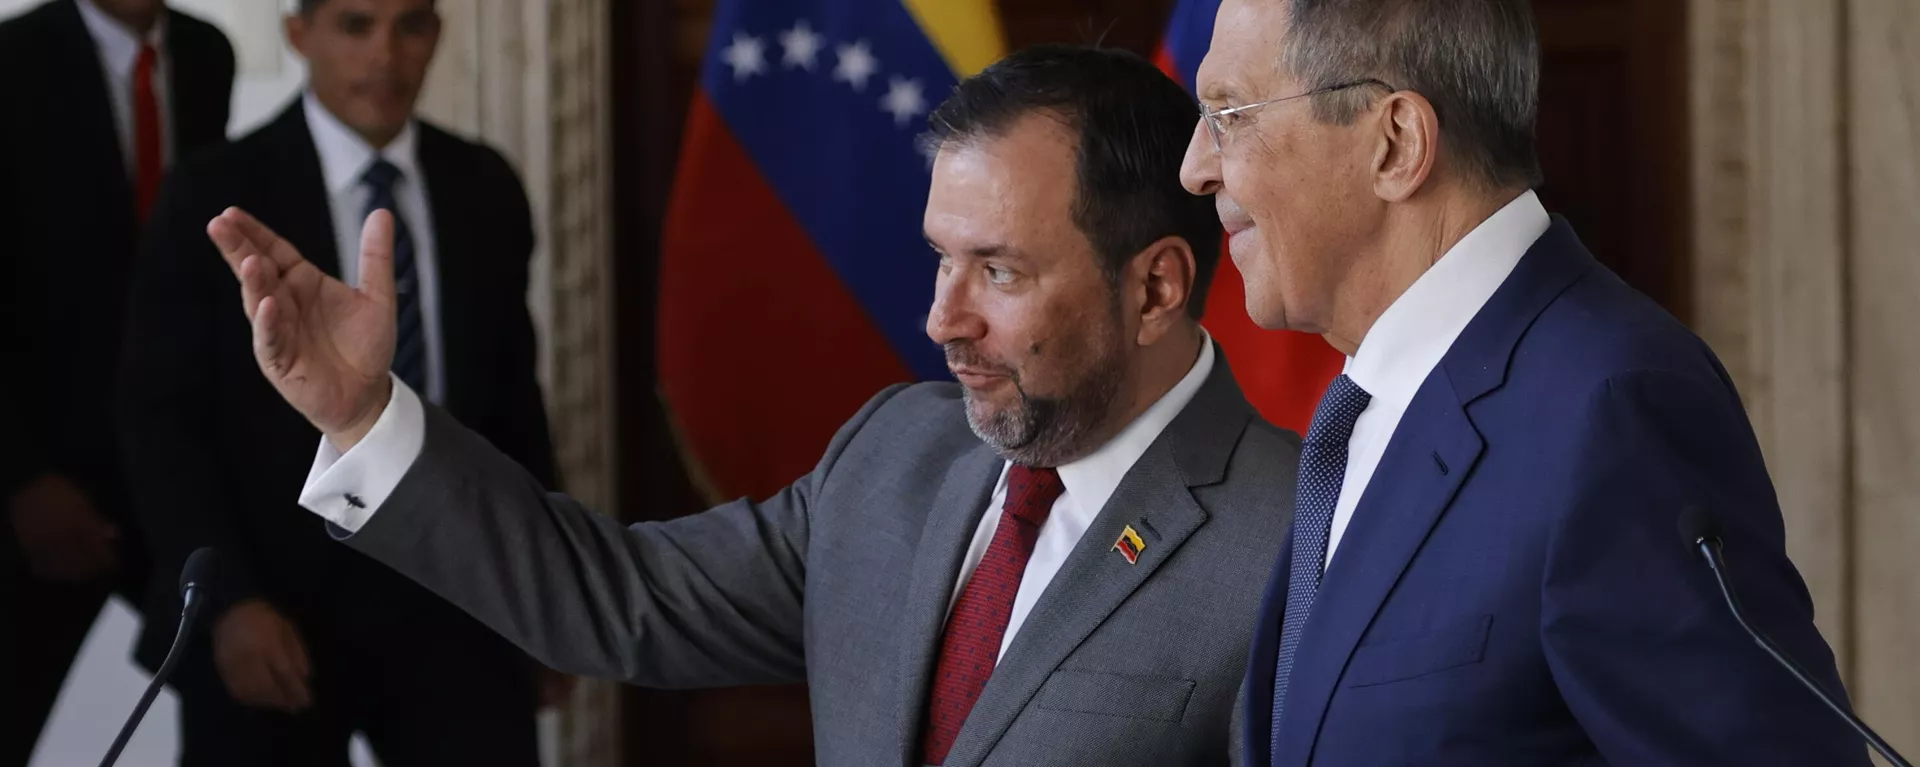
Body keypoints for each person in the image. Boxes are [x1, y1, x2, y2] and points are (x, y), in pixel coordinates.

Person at [206, 45, 1300, 766]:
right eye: (939, 260)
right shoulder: (896, 454)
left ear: (1156, 286)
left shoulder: (1309, 533)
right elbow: (616, 597)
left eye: (1000, 273)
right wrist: (361, 416)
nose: (941, 319)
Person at [1175, 0, 1868, 764]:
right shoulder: (1362, 408)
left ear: (1395, 144)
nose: (1195, 167)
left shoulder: (1615, 407)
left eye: (1229, 114)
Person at [117, 0, 561, 763]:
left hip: (458, 599)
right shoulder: (214, 194)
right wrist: (230, 604)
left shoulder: (484, 185)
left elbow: (514, 405)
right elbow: (158, 419)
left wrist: (552, 593)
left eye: (411, 26)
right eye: (356, 26)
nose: (385, 55)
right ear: (300, 36)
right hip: (273, 599)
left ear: (437, 37)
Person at [0, 0, 233, 761]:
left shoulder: (205, 54)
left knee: (241, 697)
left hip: (166, 471)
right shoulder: (15, 57)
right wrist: (23, 478)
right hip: (35, 480)